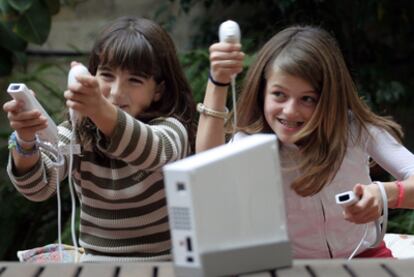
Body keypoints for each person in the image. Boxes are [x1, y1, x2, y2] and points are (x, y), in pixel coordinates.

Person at [196, 24, 414, 258]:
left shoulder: (354, 128)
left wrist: (384, 194)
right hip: (292, 267)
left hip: (365, 257)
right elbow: (207, 172)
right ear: (262, 92)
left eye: (307, 99)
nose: (290, 111)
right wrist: (217, 82)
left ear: (329, 98)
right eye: (279, 94)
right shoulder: (251, 143)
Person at [4, 16, 196, 262]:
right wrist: (25, 139)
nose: (116, 92)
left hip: (162, 262)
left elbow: (152, 151)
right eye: (107, 75)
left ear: (158, 90)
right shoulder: (77, 131)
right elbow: (39, 188)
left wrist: (98, 108)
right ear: (92, 76)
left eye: (134, 80)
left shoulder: (172, 129)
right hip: (95, 262)